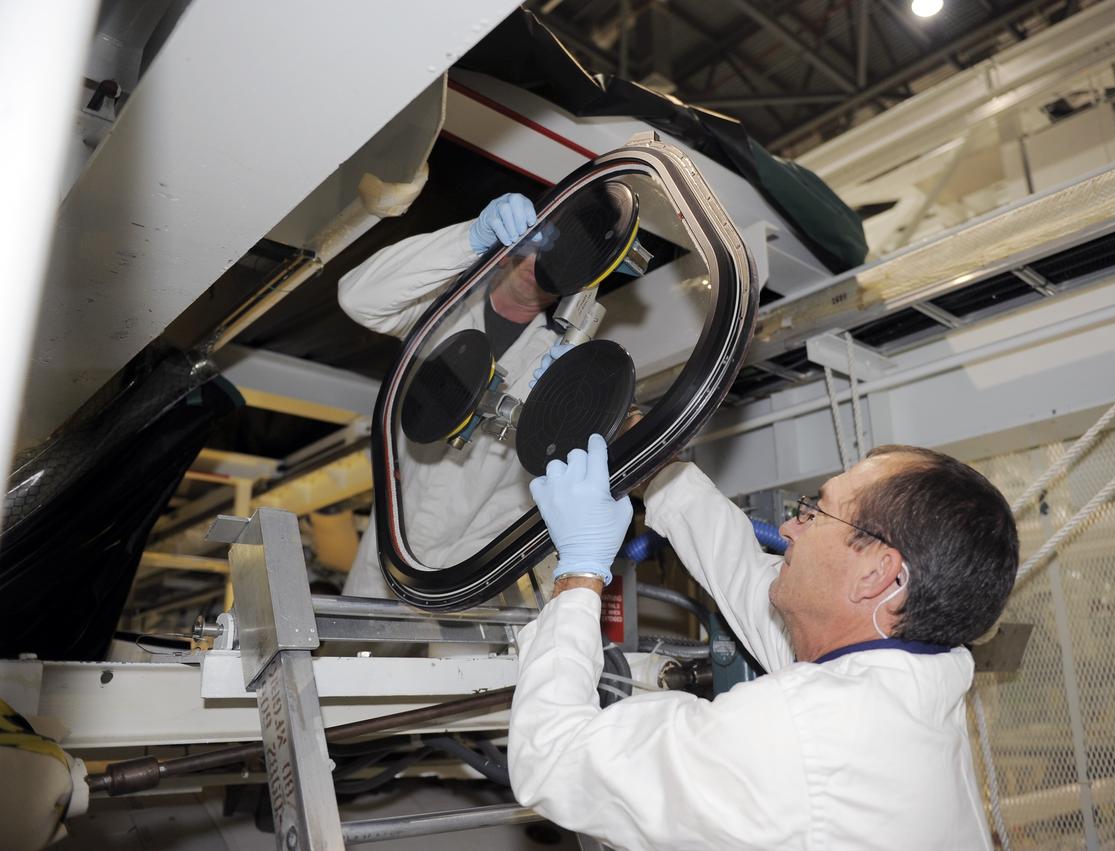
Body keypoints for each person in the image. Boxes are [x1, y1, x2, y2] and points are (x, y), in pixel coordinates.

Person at [508, 434, 1019, 850]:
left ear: (876, 574)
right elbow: (746, 576)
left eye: (816, 512)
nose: (788, 527)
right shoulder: (913, 678)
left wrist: (579, 569)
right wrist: (655, 455)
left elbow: (553, 760)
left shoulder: (801, 733)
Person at [337, 192, 555, 596]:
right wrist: (471, 238)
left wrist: (481, 550)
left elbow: (535, 485)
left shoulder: (557, 361)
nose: (538, 263)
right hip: (387, 553)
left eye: (555, 253)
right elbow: (357, 298)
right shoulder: (442, 311)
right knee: (349, 656)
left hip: (473, 569)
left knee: (459, 662)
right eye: (535, 243)